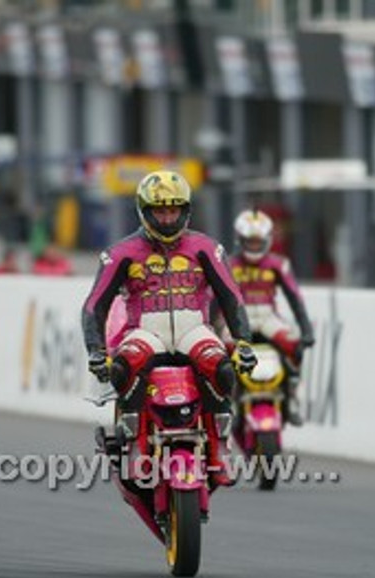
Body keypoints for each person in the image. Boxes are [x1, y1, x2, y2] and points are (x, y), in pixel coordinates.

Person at [81, 170, 256, 486]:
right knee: (123, 366)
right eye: (160, 211)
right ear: (144, 211)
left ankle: (218, 445)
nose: (166, 218)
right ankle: (135, 445)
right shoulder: (118, 253)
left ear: (185, 210)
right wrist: (96, 350)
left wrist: (243, 341)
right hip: (146, 330)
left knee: (223, 368)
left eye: (173, 210)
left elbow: (232, 297)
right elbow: (95, 305)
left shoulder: (208, 248)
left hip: (194, 328)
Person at [226, 209, 315, 426]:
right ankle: (228, 404)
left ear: (268, 240)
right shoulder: (227, 263)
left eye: (259, 242)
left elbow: (295, 297)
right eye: (250, 241)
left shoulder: (278, 264)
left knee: (294, 345)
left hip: (268, 316)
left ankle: (292, 395)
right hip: (237, 319)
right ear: (240, 239)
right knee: (221, 352)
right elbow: (212, 297)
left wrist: (306, 329)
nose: (254, 247)